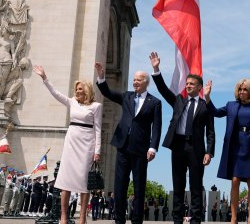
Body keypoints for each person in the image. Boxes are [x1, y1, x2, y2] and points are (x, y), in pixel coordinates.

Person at [150, 51, 216, 224]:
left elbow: (210, 131)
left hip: (196, 149)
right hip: (178, 147)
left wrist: (209, 152)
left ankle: (195, 221)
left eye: (191, 84)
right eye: (186, 83)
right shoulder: (179, 100)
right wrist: (156, 69)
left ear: (199, 87)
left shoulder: (205, 106)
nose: (187, 86)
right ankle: (177, 220)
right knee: (178, 186)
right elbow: (163, 90)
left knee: (195, 186)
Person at [95, 61, 162, 224]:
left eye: (138, 80)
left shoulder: (155, 102)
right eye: (133, 80)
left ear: (146, 82)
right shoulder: (127, 96)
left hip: (141, 149)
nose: (134, 82)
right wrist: (102, 77)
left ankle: (137, 220)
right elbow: (108, 93)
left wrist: (153, 147)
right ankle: (119, 220)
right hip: (122, 146)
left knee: (139, 186)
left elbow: (157, 127)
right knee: (120, 185)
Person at [35, 64, 103, 224]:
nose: (78, 91)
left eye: (80, 89)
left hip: (87, 143)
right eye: (77, 89)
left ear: (87, 90)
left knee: (84, 182)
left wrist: (97, 150)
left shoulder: (96, 106)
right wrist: (45, 78)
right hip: (71, 141)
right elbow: (56, 94)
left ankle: (82, 218)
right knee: (65, 180)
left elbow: (98, 129)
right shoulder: (72, 102)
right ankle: (64, 217)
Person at [204, 78, 250, 224]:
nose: (242, 92)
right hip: (235, 146)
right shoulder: (231, 105)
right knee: (235, 181)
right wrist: (207, 97)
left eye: (245, 89)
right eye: (240, 89)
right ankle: (233, 218)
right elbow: (215, 112)